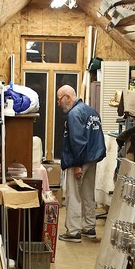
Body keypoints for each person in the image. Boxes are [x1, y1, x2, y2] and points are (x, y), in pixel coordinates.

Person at [56, 85, 106, 242]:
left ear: (67, 97)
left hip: (78, 160)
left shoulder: (74, 114)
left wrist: (78, 164)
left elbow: (77, 141)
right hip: (92, 159)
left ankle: (73, 232)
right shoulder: (92, 112)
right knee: (87, 193)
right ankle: (89, 227)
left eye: (59, 99)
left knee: (74, 195)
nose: (58, 103)